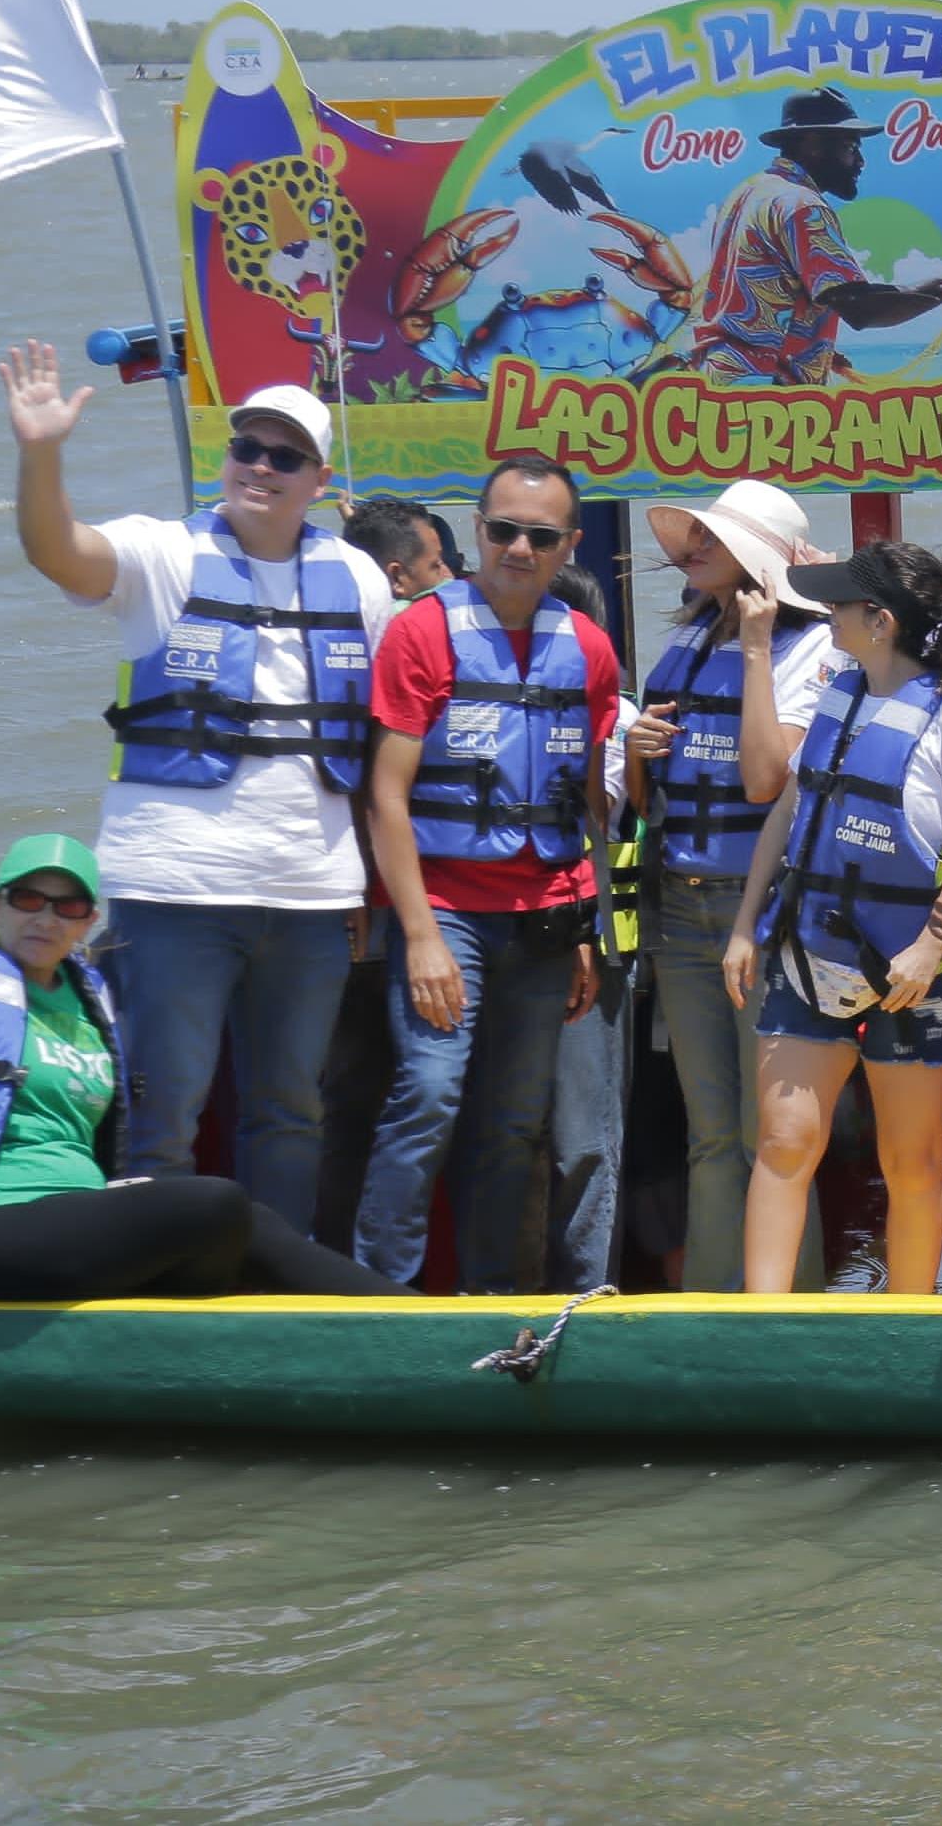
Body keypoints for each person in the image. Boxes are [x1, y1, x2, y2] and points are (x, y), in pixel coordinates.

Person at [1, 343, 395, 1223]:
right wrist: (41, 453)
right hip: (174, 885)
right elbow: (58, 553)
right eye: (245, 447)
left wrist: (367, 879)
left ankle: (275, 1294)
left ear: (319, 479)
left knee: (292, 1113)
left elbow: (377, 740)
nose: (259, 466)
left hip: (311, 895)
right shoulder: (160, 552)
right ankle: (160, 1294)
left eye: (284, 455)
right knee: (160, 1112)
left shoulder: (360, 576)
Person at [0, 728, 399, 1301]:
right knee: (214, 1201)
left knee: (254, 1222)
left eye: (68, 906)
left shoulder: (87, 999)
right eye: (28, 899)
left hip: (80, 1220)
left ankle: (415, 1321)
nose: (46, 918)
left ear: (86, 923)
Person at [353, 453, 624, 1290]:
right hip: (446, 914)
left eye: (539, 536)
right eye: (502, 529)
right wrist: (422, 935)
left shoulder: (588, 650)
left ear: (567, 544)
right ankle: (378, 1290)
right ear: (477, 529)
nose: (518, 547)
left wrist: (581, 928)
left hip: (543, 921)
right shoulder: (422, 631)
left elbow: (584, 809)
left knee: (515, 1122)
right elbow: (385, 797)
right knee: (430, 1093)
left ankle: (489, 1297)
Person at [726, 542, 942, 1295]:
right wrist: (745, 924)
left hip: (912, 973)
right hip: (806, 954)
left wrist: (926, 949)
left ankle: (904, 1331)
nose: (826, 615)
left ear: (878, 621)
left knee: (910, 1162)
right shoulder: (837, 690)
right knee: (784, 1141)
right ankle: (763, 1324)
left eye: (839, 605)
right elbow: (791, 807)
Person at [605, 480, 835, 1292]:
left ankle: (787, 1315)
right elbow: (642, 804)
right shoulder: (689, 639)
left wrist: (759, 651)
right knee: (709, 1134)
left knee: (770, 1133)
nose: (691, 546)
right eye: (695, 533)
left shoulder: (812, 648)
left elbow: (769, 781)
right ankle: (705, 1310)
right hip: (678, 903)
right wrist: (635, 748)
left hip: (760, 910)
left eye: (712, 535)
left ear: (758, 557)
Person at [313, 494, 458, 1246]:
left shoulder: (331, 645)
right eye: (438, 564)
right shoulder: (404, 651)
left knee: (374, 1103)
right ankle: (353, 1270)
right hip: (370, 918)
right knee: (364, 1102)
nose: (453, 578)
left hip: (398, 912)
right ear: (397, 576)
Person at [679, 88, 942, 384]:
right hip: (768, 401)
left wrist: (817, 349)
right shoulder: (802, 205)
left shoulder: (748, 193)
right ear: (813, 144)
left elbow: (756, 295)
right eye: (850, 147)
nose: (860, 162)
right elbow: (859, 307)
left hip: (720, 389)